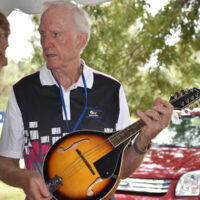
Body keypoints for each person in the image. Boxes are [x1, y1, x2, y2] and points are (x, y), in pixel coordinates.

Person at [0, 1, 173, 200]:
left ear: (81, 40)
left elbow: (121, 170)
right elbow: (5, 163)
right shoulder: (23, 91)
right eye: (42, 34)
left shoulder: (111, 90)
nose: (46, 43)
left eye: (55, 34)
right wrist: (23, 177)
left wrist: (143, 140)